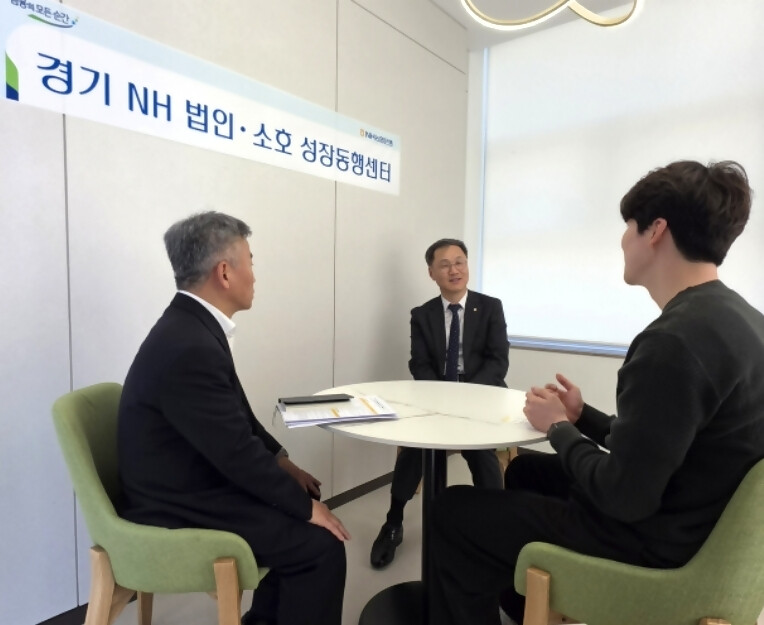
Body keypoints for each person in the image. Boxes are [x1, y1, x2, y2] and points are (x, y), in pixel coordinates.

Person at [429, 160, 764, 625]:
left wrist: (558, 428)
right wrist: (581, 415)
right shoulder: (741, 320)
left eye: (628, 227)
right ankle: (532, 609)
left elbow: (623, 495)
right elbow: (661, 443)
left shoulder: (673, 342)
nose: (623, 240)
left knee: (451, 511)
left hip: (650, 543)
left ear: (656, 231)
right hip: (691, 519)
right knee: (524, 470)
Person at [117, 211, 350, 625]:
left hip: (185, 481)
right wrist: (302, 508)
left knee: (298, 510)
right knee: (320, 545)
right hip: (176, 504)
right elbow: (236, 453)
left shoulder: (190, 327)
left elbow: (238, 419)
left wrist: (282, 462)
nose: (255, 276)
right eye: (251, 262)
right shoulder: (190, 345)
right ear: (225, 272)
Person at [370, 238, 509, 569]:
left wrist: (464, 398)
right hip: (435, 395)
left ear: (467, 266)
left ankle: (495, 528)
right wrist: (442, 397)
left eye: (459, 262)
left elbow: (498, 361)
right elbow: (418, 363)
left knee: (484, 458)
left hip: (478, 395)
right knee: (414, 450)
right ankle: (393, 522)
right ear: (432, 273)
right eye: (444, 265)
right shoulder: (422, 314)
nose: (454, 270)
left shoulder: (490, 307)